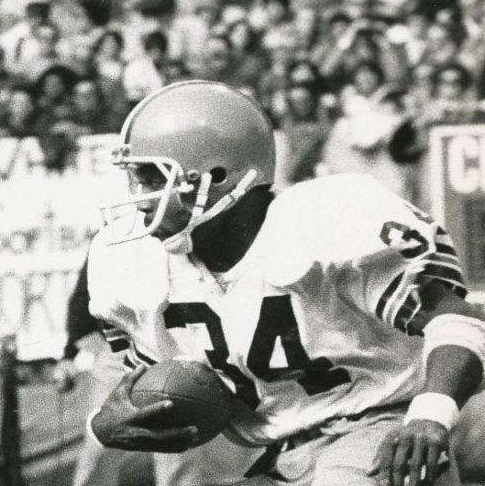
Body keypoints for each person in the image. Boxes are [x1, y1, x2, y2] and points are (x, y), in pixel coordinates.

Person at [86, 80, 485, 486]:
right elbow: (170, 391)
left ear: (220, 176)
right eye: (137, 180)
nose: (141, 198)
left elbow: (457, 320)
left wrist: (430, 417)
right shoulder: (135, 263)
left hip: (383, 431)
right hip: (281, 455)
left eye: (155, 179)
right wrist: (103, 425)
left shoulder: (321, 221)